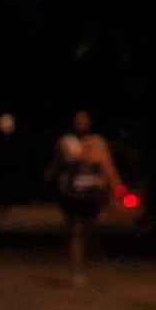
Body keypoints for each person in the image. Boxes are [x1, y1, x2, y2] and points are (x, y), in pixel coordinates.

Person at [43, 110, 122, 275]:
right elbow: (56, 163)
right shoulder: (66, 141)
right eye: (78, 121)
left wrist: (116, 188)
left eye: (84, 121)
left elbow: (107, 166)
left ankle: (85, 261)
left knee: (89, 230)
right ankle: (76, 267)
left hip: (91, 192)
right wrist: (48, 181)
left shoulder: (98, 141)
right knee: (73, 230)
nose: (81, 124)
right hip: (71, 192)